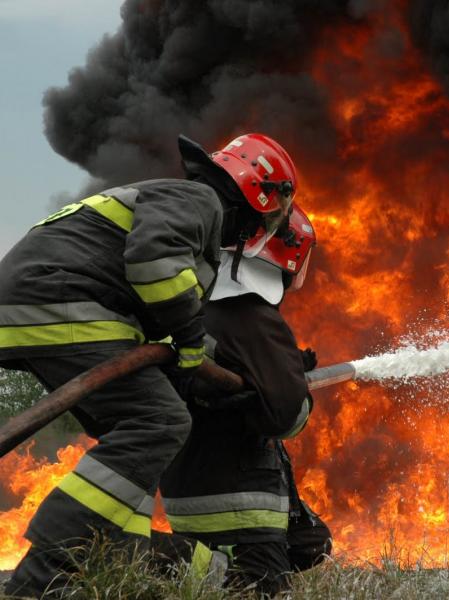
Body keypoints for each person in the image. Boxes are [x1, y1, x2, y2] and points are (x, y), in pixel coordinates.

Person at [0, 132, 299, 598]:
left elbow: (154, 305)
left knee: (134, 437)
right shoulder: (200, 201)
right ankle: (45, 572)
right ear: (261, 193)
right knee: (158, 420)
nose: (270, 224)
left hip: (46, 305)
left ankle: (112, 557)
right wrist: (190, 339)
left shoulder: (182, 204)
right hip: (61, 302)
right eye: (277, 210)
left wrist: (205, 362)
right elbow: (152, 264)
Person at [153, 203, 332, 597]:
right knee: (256, 589)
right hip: (239, 502)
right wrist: (294, 388)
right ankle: (164, 561)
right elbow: (288, 417)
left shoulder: (195, 306)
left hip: (187, 491)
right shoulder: (252, 314)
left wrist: (280, 372)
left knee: (312, 543)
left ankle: (204, 567)